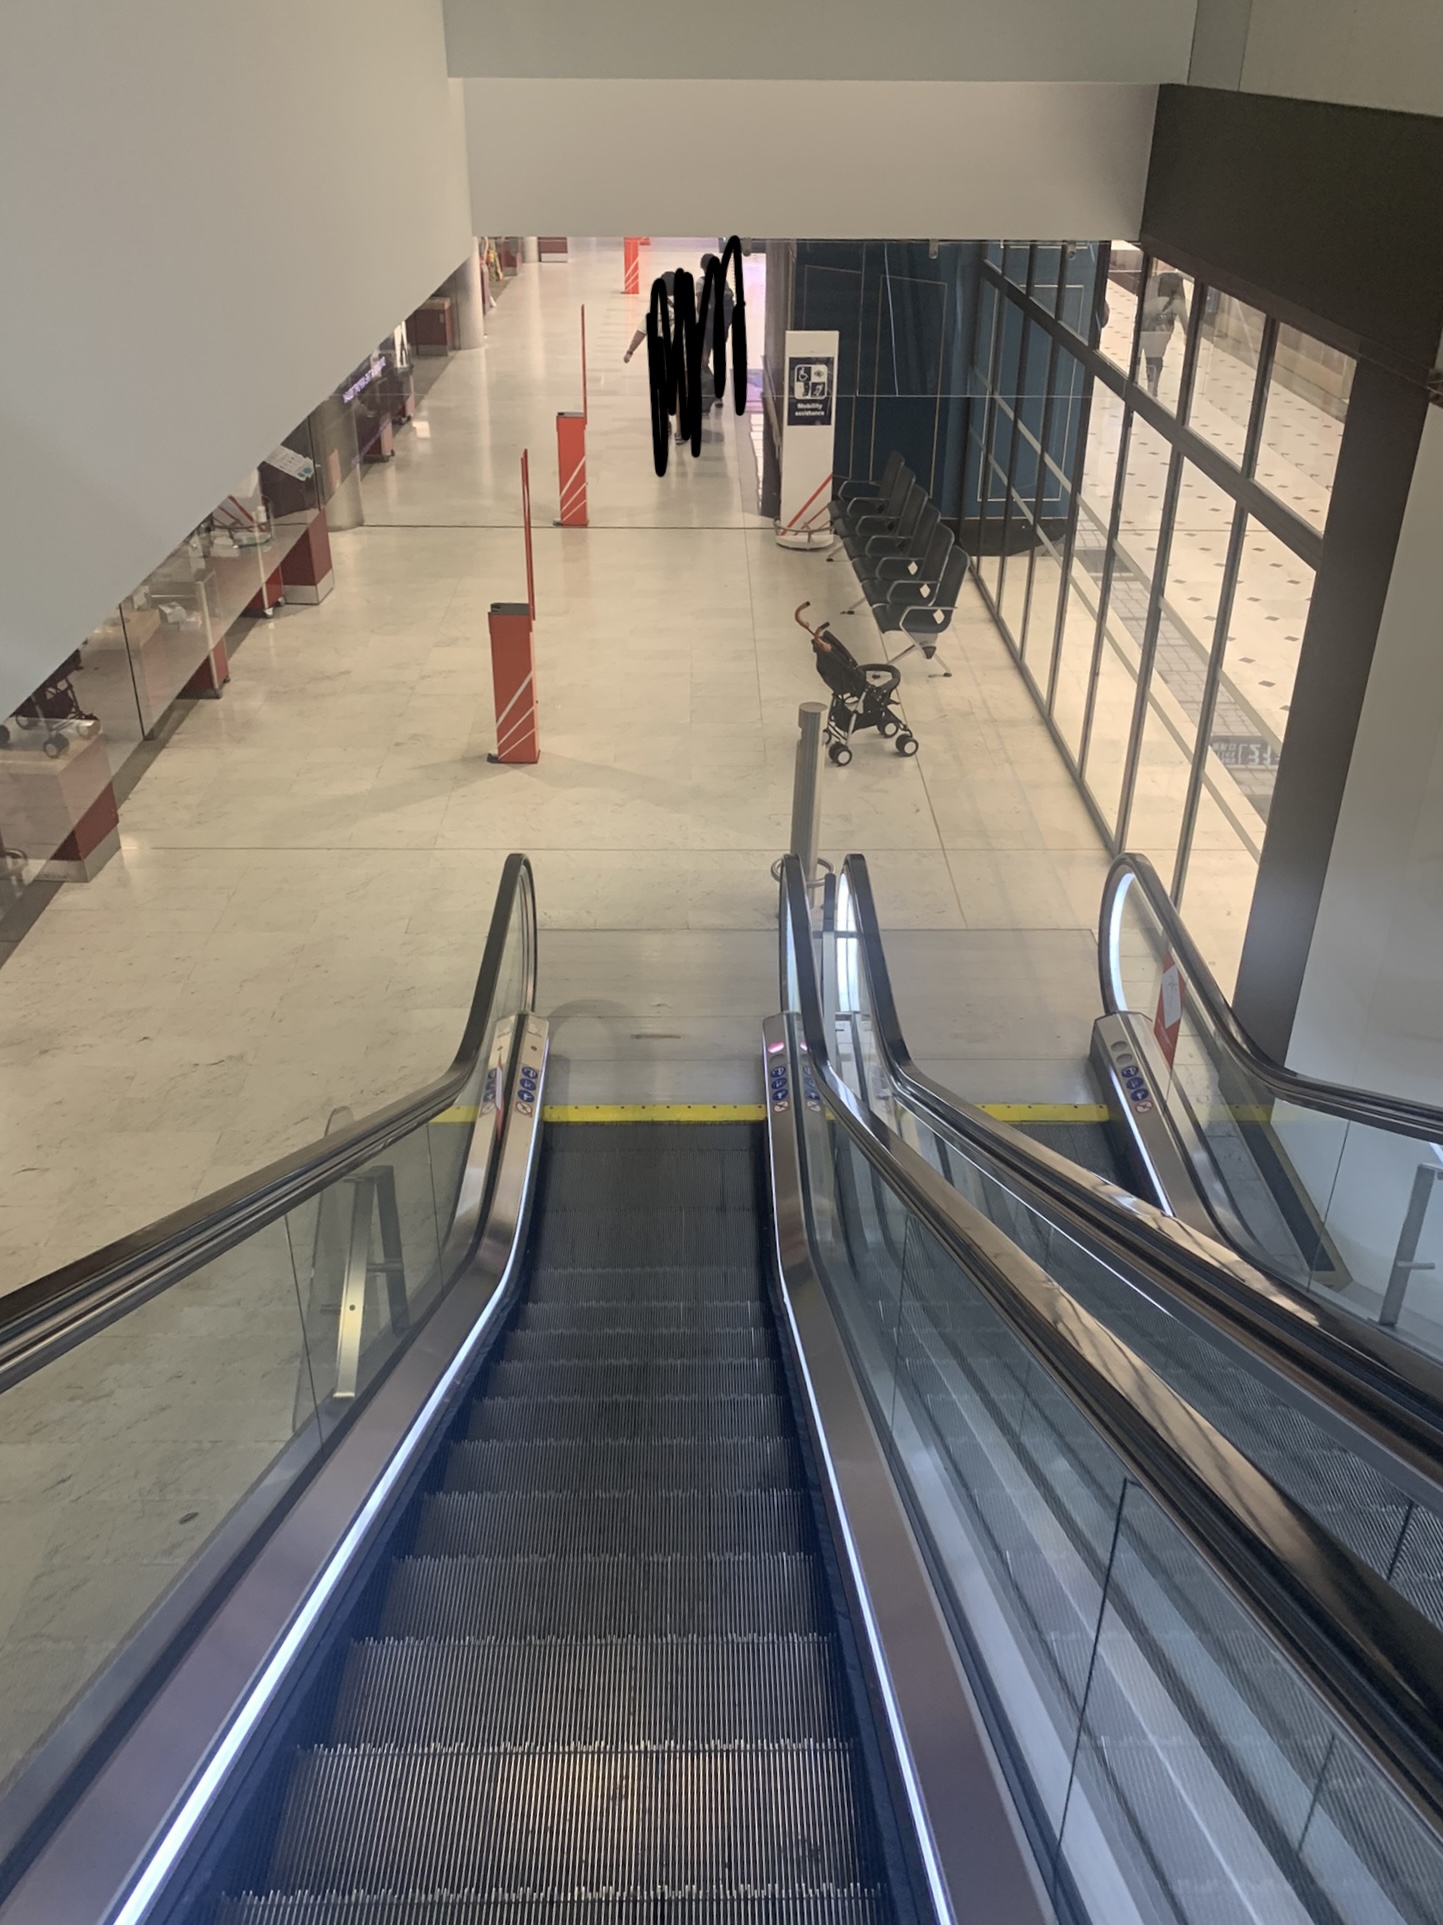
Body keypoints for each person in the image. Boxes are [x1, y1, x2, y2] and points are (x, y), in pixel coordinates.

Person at [1138, 270, 1189, 398]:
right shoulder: (1177, 303)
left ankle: (1147, 383)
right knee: (1156, 359)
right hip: (1162, 335)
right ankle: (1153, 388)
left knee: (1148, 358)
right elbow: (1186, 323)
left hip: (1147, 331)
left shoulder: (1155, 300)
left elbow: (1143, 313)